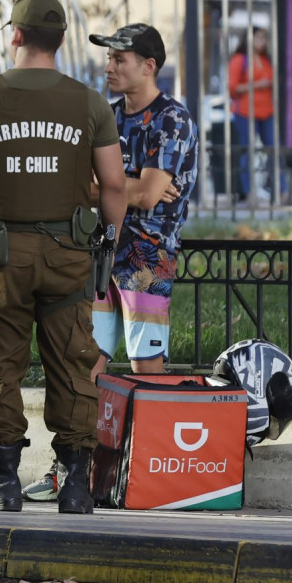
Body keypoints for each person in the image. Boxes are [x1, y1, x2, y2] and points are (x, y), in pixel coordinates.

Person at [0, 0, 125, 515]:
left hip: (1, 255)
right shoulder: (88, 102)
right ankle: (76, 486)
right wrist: (111, 238)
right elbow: (115, 185)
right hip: (69, 254)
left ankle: (4, 482)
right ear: (60, 40)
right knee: (76, 364)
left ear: (14, 34)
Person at [89, 23, 198, 378]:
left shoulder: (172, 119)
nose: (109, 67)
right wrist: (130, 188)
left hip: (149, 254)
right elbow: (82, 185)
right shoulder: (106, 115)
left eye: (119, 59)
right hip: (102, 243)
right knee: (88, 355)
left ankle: (147, 435)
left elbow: (150, 195)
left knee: (145, 364)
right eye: (109, 58)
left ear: (148, 66)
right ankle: (84, 435)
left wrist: (107, 186)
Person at [226, 27, 279, 203]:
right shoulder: (239, 60)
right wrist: (257, 85)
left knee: (273, 150)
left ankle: (281, 191)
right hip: (246, 112)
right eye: (258, 37)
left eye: (264, 38)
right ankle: (249, 193)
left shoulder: (266, 60)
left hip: (267, 111)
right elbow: (232, 88)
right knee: (247, 152)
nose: (262, 41)